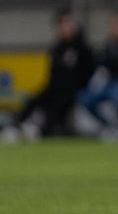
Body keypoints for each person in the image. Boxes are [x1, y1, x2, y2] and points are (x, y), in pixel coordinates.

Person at [14, 9, 94, 139]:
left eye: (68, 23)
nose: (65, 27)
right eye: (62, 24)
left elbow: (88, 71)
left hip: (74, 89)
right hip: (55, 86)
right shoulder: (57, 48)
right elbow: (52, 72)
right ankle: (17, 127)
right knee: (33, 99)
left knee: (58, 106)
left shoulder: (83, 47)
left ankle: (43, 131)